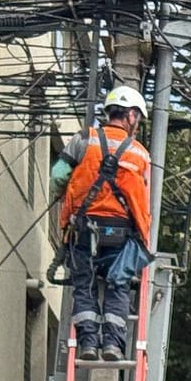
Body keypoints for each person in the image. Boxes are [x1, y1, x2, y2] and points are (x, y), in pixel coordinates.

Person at [55, 85, 153, 361]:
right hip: (121, 233)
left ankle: (87, 343)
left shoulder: (83, 139)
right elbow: (143, 202)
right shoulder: (141, 154)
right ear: (131, 115)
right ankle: (112, 344)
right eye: (138, 119)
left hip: (83, 227)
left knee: (83, 283)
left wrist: (67, 194)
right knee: (117, 285)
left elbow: (58, 176)